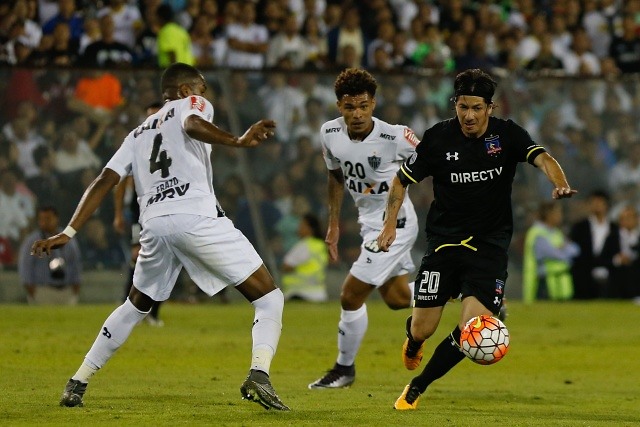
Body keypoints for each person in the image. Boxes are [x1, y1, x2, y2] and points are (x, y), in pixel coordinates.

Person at [30, 63, 289, 411]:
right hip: (195, 216)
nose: (204, 95)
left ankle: (78, 380)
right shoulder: (191, 105)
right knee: (269, 298)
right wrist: (237, 140)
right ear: (185, 90)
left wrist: (68, 230)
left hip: (154, 225)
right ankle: (259, 374)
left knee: (136, 305)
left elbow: (104, 180)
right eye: (201, 89)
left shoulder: (135, 134)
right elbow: (192, 124)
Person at [376, 68, 576, 410]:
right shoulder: (438, 138)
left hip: (489, 245)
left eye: (476, 108)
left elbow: (543, 157)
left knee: (472, 329)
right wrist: (388, 225)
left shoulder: (508, 135)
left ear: (490, 108)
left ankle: (417, 387)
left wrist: (559, 182)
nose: (468, 115)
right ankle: (413, 341)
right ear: (455, 104)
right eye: (462, 107)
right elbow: (400, 180)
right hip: (444, 243)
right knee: (423, 328)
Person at [308, 68, 420, 389]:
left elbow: (430, 164)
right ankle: (464, 289)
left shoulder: (395, 136)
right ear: (338, 106)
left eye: (363, 106)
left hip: (395, 225)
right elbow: (335, 177)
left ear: (373, 103)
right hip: (367, 224)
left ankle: (344, 369)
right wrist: (333, 225)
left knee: (349, 294)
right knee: (398, 299)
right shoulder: (329, 133)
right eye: (349, 107)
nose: (356, 114)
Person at [113, 102, 164, 326]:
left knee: (164, 264)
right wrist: (117, 214)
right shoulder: (138, 145)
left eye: (156, 116)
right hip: (140, 216)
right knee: (138, 259)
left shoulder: (175, 144)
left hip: (165, 214)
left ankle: (150, 313)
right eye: (149, 116)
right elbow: (121, 182)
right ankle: (129, 307)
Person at [18, 206, 82, 305]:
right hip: (42, 290)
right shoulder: (32, 241)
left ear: (57, 219)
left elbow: (75, 264)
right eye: (41, 219)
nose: (44, 222)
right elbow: (25, 267)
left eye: (48, 218)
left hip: (66, 290)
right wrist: (32, 291)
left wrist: (75, 289)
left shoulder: (68, 239)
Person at [522, 201, 580, 303]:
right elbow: (556, 255)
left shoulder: (556, 232)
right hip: (544, 283)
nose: (561, 215)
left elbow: (576, 250)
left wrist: (561, 249)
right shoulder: (538, 233)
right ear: (549, 214)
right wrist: (563, 249)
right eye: (558, 212)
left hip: (559, 282)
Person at [569, 190, 620, 299]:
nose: (596, 205)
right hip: (584, 276)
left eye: (600, 202)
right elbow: (576, 251)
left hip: (609, 276)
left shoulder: (615, 228)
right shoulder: (579, 227)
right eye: (593, 202)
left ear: (606, 205)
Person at [281, 213, 329, 302]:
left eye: (301, 225)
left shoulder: (304, 245)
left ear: (310, 228)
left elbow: (286, 266)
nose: (298, 228)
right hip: (319, 293)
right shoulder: (321, 245)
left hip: (299, 293)